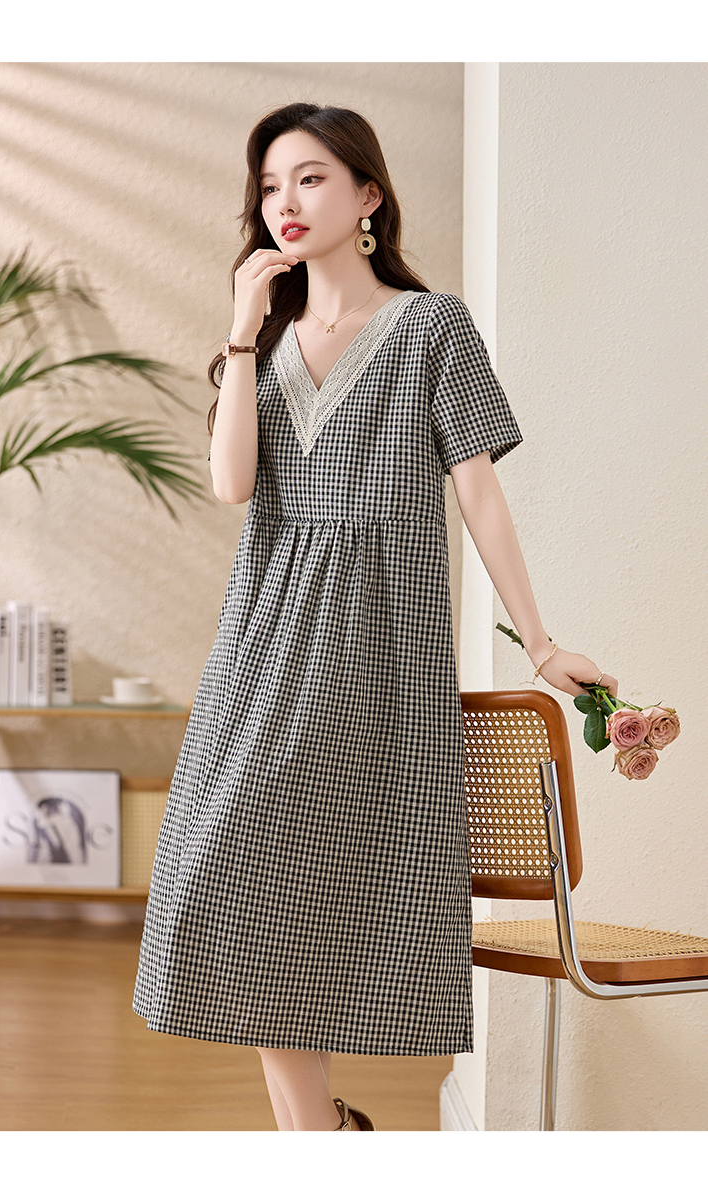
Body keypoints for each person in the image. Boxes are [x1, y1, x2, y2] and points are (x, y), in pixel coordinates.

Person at [132, 101, 618, 1132]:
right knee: (222, 875)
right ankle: (325, 1138)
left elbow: (478, 492)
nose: (285, 201)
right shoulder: (264, 342)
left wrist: (538, 642)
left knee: (301, 891)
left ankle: (321, 1141)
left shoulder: (431, 327)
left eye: (310, 177)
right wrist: (239, 327)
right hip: (263, 639)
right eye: (270, 184)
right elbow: (230, 485)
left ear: (367, 195)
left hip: (376, 644)